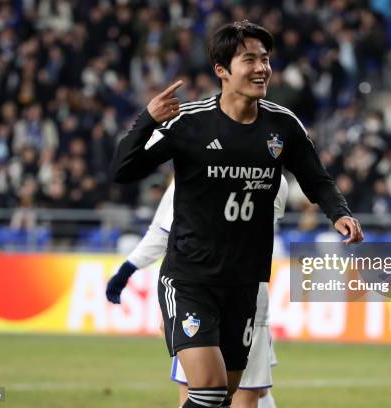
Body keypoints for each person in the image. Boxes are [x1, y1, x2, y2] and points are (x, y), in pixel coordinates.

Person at [110, 20, 363, 408]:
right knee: (208, 390)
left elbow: (318, 180)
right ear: (222, 70)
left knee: (223, 399)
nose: (262, 67)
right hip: (190, 279)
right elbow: (123, 171)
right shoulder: (188, 122)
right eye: (250, 59)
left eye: (265, 59)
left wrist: (339, 214)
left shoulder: (283, 126)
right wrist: (148, 120)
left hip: (245, 284)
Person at [107, 175, 288, 407]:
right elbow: (163, 232)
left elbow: (162, 233)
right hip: (211, 292)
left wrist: (127, 271)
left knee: (237, 393)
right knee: (229, 392)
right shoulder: (269, 173)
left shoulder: (199, 163)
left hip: (229, 295)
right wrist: (129, 271)